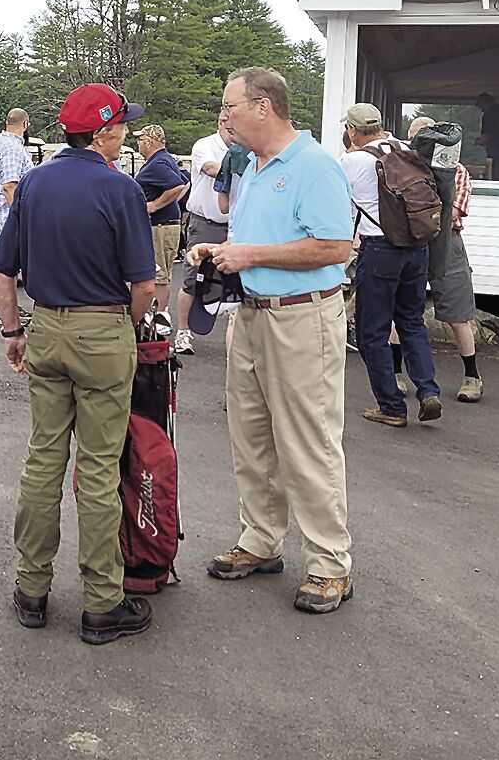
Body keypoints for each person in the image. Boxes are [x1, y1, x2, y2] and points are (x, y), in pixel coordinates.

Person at [0, 82, 156, 646]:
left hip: (47, 327)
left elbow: (1, 270)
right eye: (122, 124)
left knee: (43, 460)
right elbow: (143, 284)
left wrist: (14, 330)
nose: (126, 132)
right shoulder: (120, 190)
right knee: (99, 467)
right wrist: (124, 329)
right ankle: (102, 604)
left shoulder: (34, 184)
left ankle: (31, 589)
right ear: (105, 131)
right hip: (103, 329)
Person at [188, 67, 355, 615]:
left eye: (229, 106)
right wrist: (220, 253)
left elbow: (334, 248)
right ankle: (261, 541)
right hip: (253, 315)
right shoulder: (253, 168)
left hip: (302, 320)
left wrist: (252, 255)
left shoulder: (313, 166)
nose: (224, 115)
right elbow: (254, 239)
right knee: (251, 435)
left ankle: (330, 565)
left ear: (263, 107)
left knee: (308, 440)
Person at [340, 103, 442, 427]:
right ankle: (428, 390)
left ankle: (392, 407)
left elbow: (340, 205)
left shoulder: (352, 160)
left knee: (373, 331)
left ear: (353, 131)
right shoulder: (405, 148)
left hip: (380, 248)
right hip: (417, 246)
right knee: (412, 322)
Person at [407, 116, 483, 402]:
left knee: (457, 313)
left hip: (447, 244)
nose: (419, 143)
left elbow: (453, 215)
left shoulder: (457, 172)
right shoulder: (402, 169)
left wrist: (417, 215)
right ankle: (397, 374)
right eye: (415, 137)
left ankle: (472, 376)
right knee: (401, 310)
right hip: (410, 243)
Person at [173, 117, 232, 355]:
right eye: (227, 123)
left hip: (235, 226)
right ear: (220, 122)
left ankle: (235, 339)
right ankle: (183, 332)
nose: (231, 128)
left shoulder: (246, 148)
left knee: (236, 284)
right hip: (205, 223)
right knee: (192, 280)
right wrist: (238, 173)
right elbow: (209, 168)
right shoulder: (205, 145)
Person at [131, 124, 189, 322]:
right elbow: (185, 181)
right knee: (161, 271)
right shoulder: (164, 160)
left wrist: (155, 205)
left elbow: (178, 185)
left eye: (140, 140)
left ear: (149, 142)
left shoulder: (158, 163)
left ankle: (159, 316)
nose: (137, 143)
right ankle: (157, 314)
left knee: (159, 273)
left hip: (161, 226)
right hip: (165, 224)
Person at [0, 108, 34, 326]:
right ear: (25, 124)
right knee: (9, 264)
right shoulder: (12, 148)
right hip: (11, 214)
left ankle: (8, 308)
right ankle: (6, 310)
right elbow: (10, 186)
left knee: (10, 264)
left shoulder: (2, 144)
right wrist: (21, 216)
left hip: (7, 213)